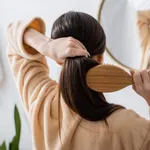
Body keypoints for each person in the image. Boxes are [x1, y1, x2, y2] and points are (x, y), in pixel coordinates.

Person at [7, 11, 150, 150]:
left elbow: (14, 34)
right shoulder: (130, 128)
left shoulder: (42, 103)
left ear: (58, 60)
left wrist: (47, 45)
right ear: (100, 59)